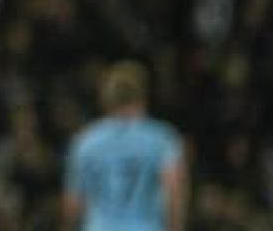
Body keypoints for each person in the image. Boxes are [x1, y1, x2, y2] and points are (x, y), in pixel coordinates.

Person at [64, 61, 187, 231]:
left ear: (106, 98)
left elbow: (73, 204)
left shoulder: (85, 142)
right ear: (143, 95)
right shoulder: (162, 139)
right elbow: (173, 192)